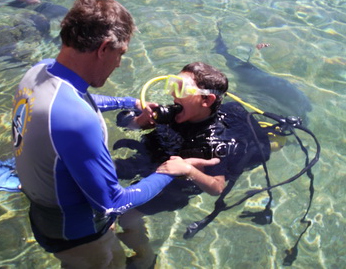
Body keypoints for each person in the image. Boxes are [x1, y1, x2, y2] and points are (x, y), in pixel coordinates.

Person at [11, 0, 218, 269]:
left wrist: (126, 102)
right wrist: (172, 171)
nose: (119, 63)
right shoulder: (76, 121)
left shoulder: (39, 72)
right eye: (120, 54)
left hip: (46, 216)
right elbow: (112, 204)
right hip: (77, 234)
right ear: (104, 47)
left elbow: (75, 100)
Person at [114, 62, 271, 268]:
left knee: (125, 217)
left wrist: (188, 169)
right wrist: (139, 121)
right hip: (159, 157)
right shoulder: (181, 112)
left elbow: (217, 187)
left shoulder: (214, 143)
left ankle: (145, 257)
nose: (172, 94)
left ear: (206, 99)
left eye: (180, 88)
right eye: (172, 84)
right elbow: (125, 123)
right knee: (107, 171)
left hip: (175, 186)